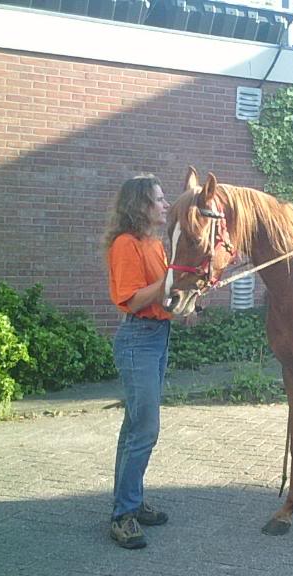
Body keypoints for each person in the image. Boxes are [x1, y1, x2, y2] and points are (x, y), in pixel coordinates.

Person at [104, 174, 171, 549]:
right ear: (141, 206)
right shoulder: (125, 245)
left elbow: (165, 298)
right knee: (145, 430)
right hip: (137, 341)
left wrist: (188, 296)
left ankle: (130, 502)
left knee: (134, 428)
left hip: (159, 337)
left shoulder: (154, 244)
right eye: (159, 200)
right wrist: (171, 282)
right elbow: (132, 299)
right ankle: (123, 516)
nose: (165, 205)